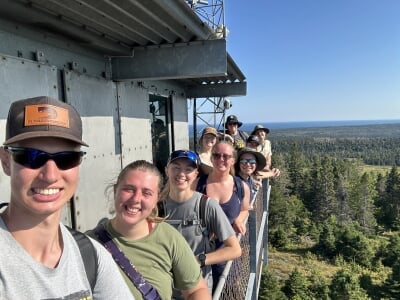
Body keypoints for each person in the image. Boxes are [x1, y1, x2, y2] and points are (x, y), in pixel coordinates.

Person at [0, 96, 134, 299]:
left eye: (66, 158)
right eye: (31, 157)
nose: (50, 175)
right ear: (6, 161)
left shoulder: (90, 257)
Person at [87, 160, 210, 300]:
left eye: (146, 193)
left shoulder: (169, 238)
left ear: (157, 199)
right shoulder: (88, 244)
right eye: (129, 189)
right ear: (116, 190)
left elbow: (197, 289)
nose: (136, 199)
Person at [160, 150, 241, 293]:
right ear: (167, 171)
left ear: (196, 174)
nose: (181, 173)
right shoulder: (157, 207)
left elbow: (234, 249)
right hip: (163, 290)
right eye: (176, 167)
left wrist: (199, 261)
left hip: (197, 290)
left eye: (188, 169)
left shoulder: (206, 205)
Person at [194, 140, 250, 289]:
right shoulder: (197, 185)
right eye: (217, 155)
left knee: (226, 290)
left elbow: (245, 209)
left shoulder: (241, 187)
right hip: (200, 254)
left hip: (227, 254)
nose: (221, 159)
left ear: (233, 160)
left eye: (226, 156)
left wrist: (238, 219)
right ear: (211, 158)